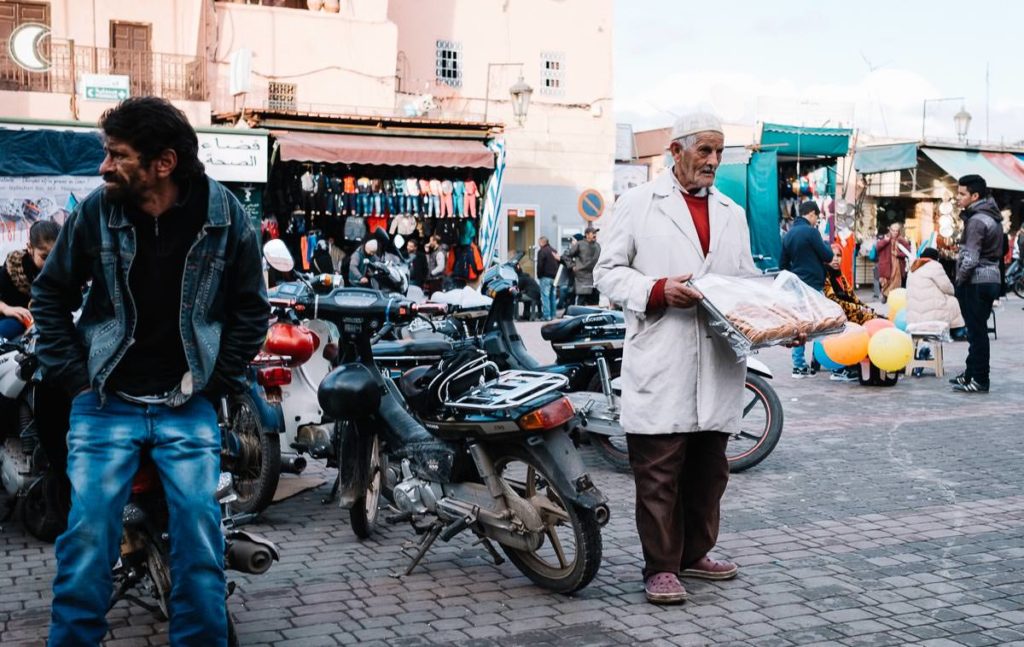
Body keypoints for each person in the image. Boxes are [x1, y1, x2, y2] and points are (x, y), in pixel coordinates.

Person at [32, 97, 269, 645]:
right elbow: (50, 295)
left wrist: (216, 383)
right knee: (88, 538)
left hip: (187, 405)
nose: (103, 166)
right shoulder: (97, 212)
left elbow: (251, 310)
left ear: (163, 162)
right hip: (105, 401)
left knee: (200, 536)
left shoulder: (226, 215)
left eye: (117, 155)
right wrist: (74, 378)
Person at [595, 111, 757, 605]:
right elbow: (607, 272)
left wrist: (770, 314)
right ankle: (661, 565)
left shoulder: (732, 211)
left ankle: (695, 553)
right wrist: (658, 289)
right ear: (676, 152)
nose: (712, 161)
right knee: (660, 471)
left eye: (718, 152)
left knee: (709, 471)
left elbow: (745, 278)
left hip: (718, 361)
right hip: (663, 354)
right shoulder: (639, 204)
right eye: (704, 151)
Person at [951, 174, 1003, 393]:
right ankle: (971, 374)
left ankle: (980, 378)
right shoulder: (993, 217)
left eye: (962, 194)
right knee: (977, 331)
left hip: (976, 281)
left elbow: (970, 258)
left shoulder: (976, 220)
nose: (958, 197)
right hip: (992, 278)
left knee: (976, 333)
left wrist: (960, 281)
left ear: (975, 195)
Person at [778, 201, 834, 378]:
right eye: (817, 216)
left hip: (796, 287)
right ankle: (831, 363)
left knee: (800, 326)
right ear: (811, 214)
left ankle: (799, 366)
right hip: (813, 286)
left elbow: (782, 265)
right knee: (824, 323)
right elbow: (828, 256)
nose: (817, 220)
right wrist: (825, 244)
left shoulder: (788, 235)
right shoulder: (811, 232)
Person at [822, 245, 876, 382]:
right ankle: (842, 368)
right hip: (837, 315)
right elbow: (833, 301)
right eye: (832, 256)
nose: (835, 259)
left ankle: (871, 362)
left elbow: (854, 298)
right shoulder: (825, 276)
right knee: (867, 321)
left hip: (849, 313)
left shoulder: (841, 276)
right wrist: (859, 310)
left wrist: (867, 308)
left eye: (839, 256)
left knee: (876, 317)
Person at [0, 220, 60, 339]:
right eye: (44, 257)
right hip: (8, 316)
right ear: (30, 248)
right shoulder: (13, 268)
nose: (50, 262)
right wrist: (6, 309)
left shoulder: (62, 271)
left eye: (55, 256)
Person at [563, 226, 601, 305]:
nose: (595, 235)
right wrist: (572, 266)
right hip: (582, 277)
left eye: (595, 233)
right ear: (587, 235)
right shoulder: (580, 244)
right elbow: (566, 255)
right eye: (593, 233)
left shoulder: (598, 246)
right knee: (582, 301)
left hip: (594, 277)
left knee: (595, 302)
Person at [876, 222, 911, 302]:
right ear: (890, 230)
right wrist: (885, 241)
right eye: (893, 230)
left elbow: (908, 252)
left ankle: (893, 297)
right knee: (886, 281)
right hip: (886, 264)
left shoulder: (901, 240)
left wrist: (898, 254)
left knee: (896, 281)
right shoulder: (886, 238)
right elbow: (877, 248)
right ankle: (885, 294)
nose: (895, 232)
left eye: (896, 231)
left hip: (897, 265)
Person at [536, 236, 560, 320]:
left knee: (545, 296)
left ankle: (546, 316)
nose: (538, 243)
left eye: (539, 242)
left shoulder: (541, 251)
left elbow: (540, 265)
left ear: (543, 242)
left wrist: (539, 275)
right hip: (554, 277)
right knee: (552, 296)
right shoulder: (554, 250)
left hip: (545, 277)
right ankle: (553, 315)